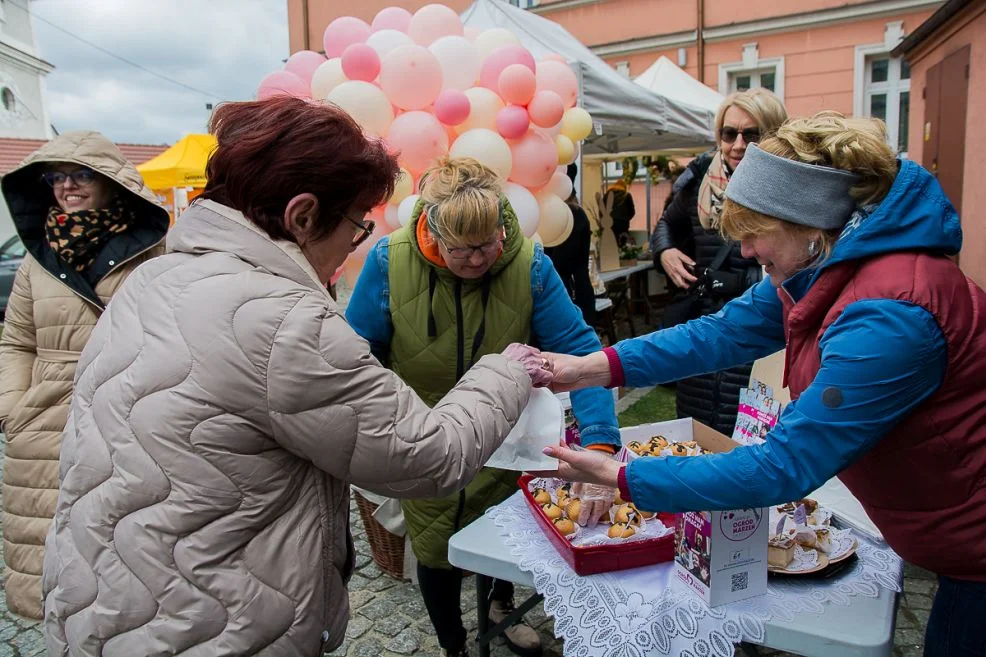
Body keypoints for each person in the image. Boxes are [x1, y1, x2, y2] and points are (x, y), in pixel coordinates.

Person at [41, 97, 550, 657]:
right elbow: (427, 456)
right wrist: (507, 370)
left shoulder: (152, 278)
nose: (353, 245)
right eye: (356, 225)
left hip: (105, 606)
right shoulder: (282, 318)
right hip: (217, 627)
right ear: (303, 216)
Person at [541, 112, 986, 657]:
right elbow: (719, 334)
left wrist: (624, 476)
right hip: (954, 537)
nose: (746, 252)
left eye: (755, 234)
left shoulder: (889, 314)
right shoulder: (822, 268)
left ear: (811, 222)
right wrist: (587, 368)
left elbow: (783, 466)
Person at [346, 157, 620, 657]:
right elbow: (358, 352)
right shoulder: (389, 260)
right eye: (462, 250)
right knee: (436, 551)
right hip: (426, 436)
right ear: (432, 230)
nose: (478, 260)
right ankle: (454, 644)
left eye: (488, 244)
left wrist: (601, 440)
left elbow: (581, 350)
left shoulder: (531, 263)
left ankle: (499, 605)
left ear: (501, 224)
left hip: (510, 437)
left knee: (507, 541)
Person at [0, 132, 169, 619]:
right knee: (52, 569)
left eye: (81, 175)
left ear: (112, 182)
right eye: (57, 177)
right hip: (46, 423)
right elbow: (17, 342)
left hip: (131, 415)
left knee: (131, 561)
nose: (66, 187)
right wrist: (14, 409)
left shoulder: (155, 249)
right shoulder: (36, 260)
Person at [651, 88, 787, 435]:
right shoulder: (700, 181)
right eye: (729, 134)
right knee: (696, 434)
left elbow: (807, 269)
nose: (738, 145)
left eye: (751, 134)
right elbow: (667, 223)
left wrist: (739, 283)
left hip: (761, 332)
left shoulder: (790, 192)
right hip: (704, 328)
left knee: (749, 442)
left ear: (773, 134)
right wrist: (665, 251)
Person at [544, 163, 596, 324]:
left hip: (571, 297)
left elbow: (561, 263)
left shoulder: (570, 216)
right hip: (575, 292)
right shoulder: (575, 213)